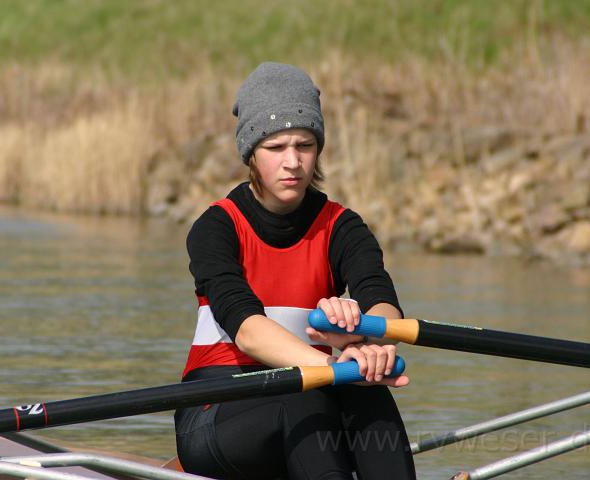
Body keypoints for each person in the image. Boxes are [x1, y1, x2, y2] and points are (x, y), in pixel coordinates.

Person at [175, 62, 416, 480]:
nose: (292, 162)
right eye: (276, 147)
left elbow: (382, 304)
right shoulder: (216, 227)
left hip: (311, 399)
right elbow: (248, 331)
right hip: (214, 413)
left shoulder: (343, 227)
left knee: (365, 395)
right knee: (306, 391)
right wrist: (339, 368)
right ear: (251, 153)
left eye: (304, 145)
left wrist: (370, 343)